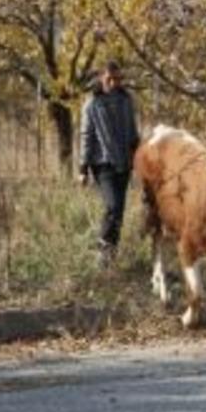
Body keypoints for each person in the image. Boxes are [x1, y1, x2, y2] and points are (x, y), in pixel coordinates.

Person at [78, 60, 140, 269]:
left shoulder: (126, 100)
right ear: (101, 78)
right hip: (102, 163)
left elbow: (132, 131)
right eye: (109, 79)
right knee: (111, 206)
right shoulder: (92, 104)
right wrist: (83, 168)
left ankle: (111, 256)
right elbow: (86, 136)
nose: (114, 82)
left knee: (119, 212)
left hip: (124, 162)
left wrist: (137, 156)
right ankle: (102, 251)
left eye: (118, 79)